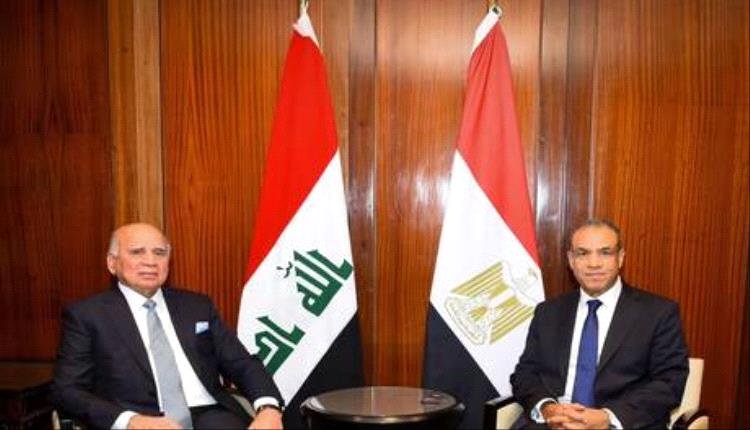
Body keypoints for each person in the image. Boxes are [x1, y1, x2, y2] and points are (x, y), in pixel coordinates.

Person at [52, 223, 284, 430]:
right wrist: (129, 421)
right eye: (137, 252)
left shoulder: (197, 306)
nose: (151, 261)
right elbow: (67, 390)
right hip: (138, 419)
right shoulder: (87, 315)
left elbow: (241, 362)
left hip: (210, 415)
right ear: (112, 263)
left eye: (160, 253)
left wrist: (269, 408)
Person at [510, 219, 688, 429]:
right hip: (554, 423)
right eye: (583, 253)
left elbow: (669, 382)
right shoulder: (548, 312)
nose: (594, 263)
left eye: (605, 252)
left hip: (622, 423)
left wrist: (607, 417)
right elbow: (525, 374)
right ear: (571, 260)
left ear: (620, 258)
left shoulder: (658, 313)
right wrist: (547, 408)